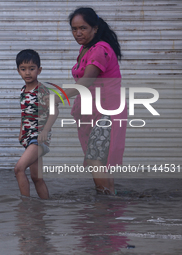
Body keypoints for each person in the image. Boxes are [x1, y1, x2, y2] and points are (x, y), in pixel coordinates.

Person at [55, 7, 127, 195]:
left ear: (95, 28)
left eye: (83, 28)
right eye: (74, 29)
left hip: (107, 110)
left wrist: (58, 96)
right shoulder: (85, 49)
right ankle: (109, 208)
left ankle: (103, 209)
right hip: (92, 109)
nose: (78, 33)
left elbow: (86, 81)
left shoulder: (100, 49)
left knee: (96, 158)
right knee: (100, 159)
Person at [14, 49, 59, 199]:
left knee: (19, 169)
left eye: (32, 69)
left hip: (38, 137)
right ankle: (45, 206)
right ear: (18, 71)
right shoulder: (23, 91)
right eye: (23, 69)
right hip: (29, 137)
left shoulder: (42, 90)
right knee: (37, 177)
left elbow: (54, 111)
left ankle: (25, 206)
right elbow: (25, 113)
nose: (28, 73)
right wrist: (21, 130)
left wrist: (46, 130)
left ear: (39, 70)